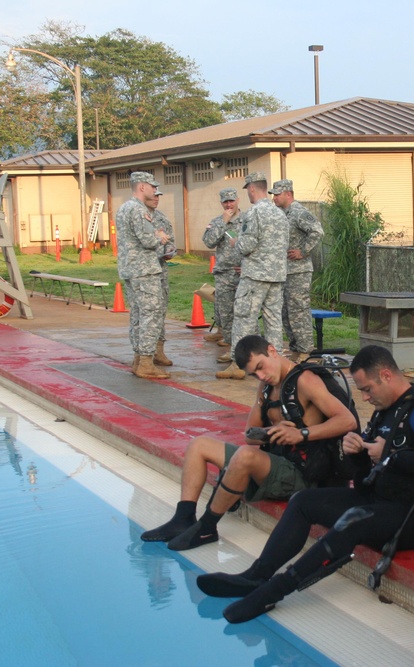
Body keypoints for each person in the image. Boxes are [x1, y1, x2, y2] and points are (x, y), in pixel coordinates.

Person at [197, 344, 414, 623]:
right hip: (380, 503)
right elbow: (363, 482)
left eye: (367, 389)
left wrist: (391, 455)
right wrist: (359, 454)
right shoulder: (384, 411)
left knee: (353, 520)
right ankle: (256, 576)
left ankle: (273, 592)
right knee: (304, 502)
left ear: (386, 376)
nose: (364, 398)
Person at [141, 334, 358, 551]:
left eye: (262, 367)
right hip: (276, 463)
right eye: (255, 374)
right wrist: (271, 432)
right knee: (199, 445)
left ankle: (206, 527)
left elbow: (346, 420)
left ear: (272, 351)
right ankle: (183, 518)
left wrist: (302, 433)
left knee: (244, 455)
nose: (262, 375)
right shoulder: (265, 387)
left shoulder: (305, 380)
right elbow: (249, 434)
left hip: (303, 474)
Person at [216, 172, 289, 380]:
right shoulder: (279, 213)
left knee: (244, 318)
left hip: (255, 275)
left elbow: (247, 245)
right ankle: (277, 363)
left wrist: (235, 243)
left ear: (251, 189)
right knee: (273, 321)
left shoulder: (253, 213)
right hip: (276, 275)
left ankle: (237, 364)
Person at [116, 172, 172, 380]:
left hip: (131, 268)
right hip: (144, 268)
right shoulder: (138, 210)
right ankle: (146, 361)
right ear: (142, 187)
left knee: (138, 315)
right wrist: (160, 236)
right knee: (151, 314)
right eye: (152, 186)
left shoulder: (124, 208)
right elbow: (148, 240)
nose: (154, 191)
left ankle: (139, 358)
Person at [270, 179, 323, 362]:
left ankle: (305, 350)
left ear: (288, 194)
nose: (274, 198)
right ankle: (294, 347)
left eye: (277, 194)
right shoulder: (280, 213)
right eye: (273, 194)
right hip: (283, 270)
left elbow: (317, 231)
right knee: (285, 311)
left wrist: (303, 251)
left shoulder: (299, 212)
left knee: (298, 310)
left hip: (298, 271)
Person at [201, 188, 244, 362]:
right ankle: (230, 345)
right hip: (224, 273)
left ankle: (243, 349)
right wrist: (223, 223)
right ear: (221, 203)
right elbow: (209, 242)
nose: (229, 205)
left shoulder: (247, 220)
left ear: (238, 200)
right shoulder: (217, 222)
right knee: (225, 313)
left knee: (244, 312)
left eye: (231, 201)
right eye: (225, 202)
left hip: (243, 272)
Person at [147, 187, 176, 368]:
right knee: (146, 313)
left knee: (160, 310)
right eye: (154, 195)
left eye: (158, 196)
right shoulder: (139, 217)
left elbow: (171, 242)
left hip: (161, 271)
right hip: (145, 272)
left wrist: (170, 253)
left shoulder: (162, 219)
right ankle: (144, 353)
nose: (156, 199)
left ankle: (159, 350)